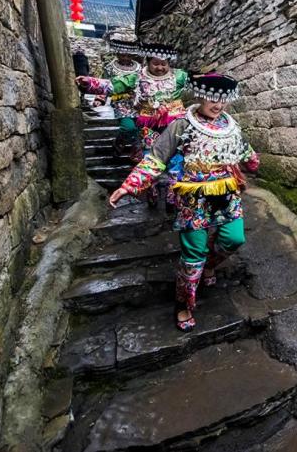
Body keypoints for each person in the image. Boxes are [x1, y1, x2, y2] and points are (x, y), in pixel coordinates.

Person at [108, 74, 259, 331]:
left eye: (223, 100)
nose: (218, 105)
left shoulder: (231, 126)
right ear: (200, 96)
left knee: (234, 238)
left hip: (227, 193)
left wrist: (252, 161)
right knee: (193, 254)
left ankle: (210, 266)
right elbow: (156, 158)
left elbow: (244, 151)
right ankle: (184, 303)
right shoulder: (182, 125)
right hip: (193, 198)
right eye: (212, 98)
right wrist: (128, 186)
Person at [75, 43, 189, 161]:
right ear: (147, 62)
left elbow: (197, 84)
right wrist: (89, 82)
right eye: (155, 64)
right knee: (151, 155)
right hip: (148, 123)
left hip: (173, 122)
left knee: (175, 153)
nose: (160, 68)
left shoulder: (179, 76)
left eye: (164, 64)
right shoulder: (137, 77)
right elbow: (113, 85)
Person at [94, 39, 142, 111]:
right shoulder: (110, 67)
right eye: (123, 55)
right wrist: (99, 99)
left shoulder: (140, 68)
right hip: (119, 103)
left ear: (133, 56)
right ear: (117, 54)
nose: (126, 58)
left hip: (138, 103)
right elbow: (105, 85)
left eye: (129, 56)